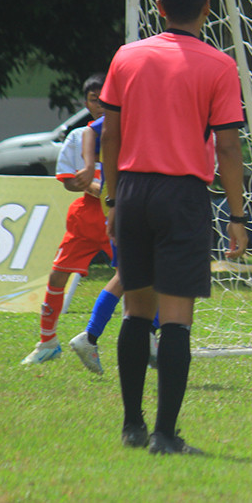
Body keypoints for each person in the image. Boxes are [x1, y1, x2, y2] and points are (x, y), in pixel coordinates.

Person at [100, 0, 248, 455]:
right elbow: (228, 149)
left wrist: (111, 198)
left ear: (159, 8)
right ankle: (165, 435)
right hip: (183, 195)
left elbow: (112, 136)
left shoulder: (127, 57)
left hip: (133, 192)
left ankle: (131, 427)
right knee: (177, 320)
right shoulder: (220, 66)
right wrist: (237, 216)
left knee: (136, 312)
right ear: (208, 9)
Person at [21, 74, 112, 366]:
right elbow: (69, 181)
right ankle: (47, 342)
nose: (99, 105)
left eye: (103, 98)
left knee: (139, 279)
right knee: (57, 276)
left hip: (119, 216)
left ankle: (150, 338)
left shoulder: (126, 131)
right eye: (93, 100)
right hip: (87, 217)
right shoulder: (78, 138)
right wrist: (94, 187)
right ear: (86, 103)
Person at [68, 115, 158, 375]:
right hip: (130, 199)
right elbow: (88, 132)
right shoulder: (130, 105)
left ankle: (98, 337)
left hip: (134, 198)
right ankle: (145, 335)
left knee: (135, 273)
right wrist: (88, 165)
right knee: (141, 272)